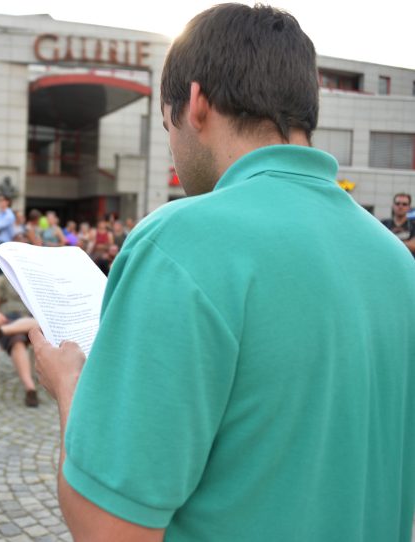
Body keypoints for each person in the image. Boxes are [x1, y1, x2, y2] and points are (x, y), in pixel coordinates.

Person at [30, 5, 415, 541]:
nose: (173, 153)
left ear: (195, 103)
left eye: (167, 128)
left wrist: (69, 384)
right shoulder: (397, 262)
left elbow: (107, 529)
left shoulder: (180, 243)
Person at [0, 259, 40, 407]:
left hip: (33, 320)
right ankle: (30, 388)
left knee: (38, 324)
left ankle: (0, 332)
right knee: (17, 341)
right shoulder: (0, 281)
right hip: (10, 317)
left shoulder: (32, 281)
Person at [381, 193, 415, 257]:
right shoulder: (383, 224)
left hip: (407, 264)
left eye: (404, 204)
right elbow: (378, 243)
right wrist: (407, 243)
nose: (400, 206)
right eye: (397, 203)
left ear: (409, 207)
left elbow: (413, 246)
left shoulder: (413, 225)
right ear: (393, 206)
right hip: (387, 261)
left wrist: (389, 242)